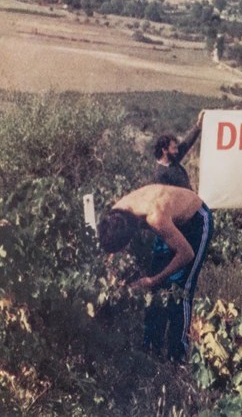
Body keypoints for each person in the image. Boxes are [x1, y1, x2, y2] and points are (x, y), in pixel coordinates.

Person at [98, 183, 214, 362]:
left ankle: (178, 357)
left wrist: (153, 279)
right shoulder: (117, 213)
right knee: (156, 293)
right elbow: (112, 250)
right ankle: (151, 348)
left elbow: (186, 254)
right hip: (170, 222)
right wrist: (110, 277)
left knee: (180, 288)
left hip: (195, 222)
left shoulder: (155, 218)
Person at [153, 111, 205, 189]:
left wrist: (198, 125)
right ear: (164, 150)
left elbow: (187, 143)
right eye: (174, 148)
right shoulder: (160, 174)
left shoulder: (173, 158)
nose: (177, 151)